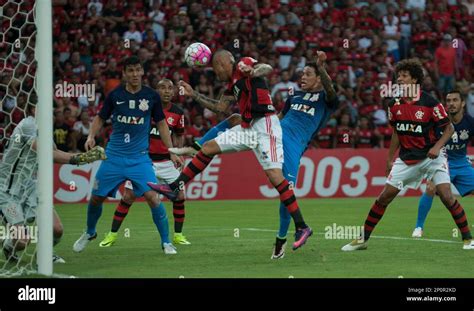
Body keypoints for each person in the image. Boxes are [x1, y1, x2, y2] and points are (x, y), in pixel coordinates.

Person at [173, 51, 338, 258]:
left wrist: (322, 67)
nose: (302, 77)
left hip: (294, 146)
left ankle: (281, 239)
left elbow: (331, 90)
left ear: (318, 78)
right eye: (302, 73)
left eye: (307, 74)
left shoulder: (326, 99)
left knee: (285, 192)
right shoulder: (293, 97)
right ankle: (198, 146)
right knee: (234, 117)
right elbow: (277, 117)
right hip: (273, 134)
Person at [341, 59, 474, 251]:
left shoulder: (430, 102)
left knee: (446, 196)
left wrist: (437, 147)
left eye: (404, 76)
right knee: (384, 198)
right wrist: (389, 158)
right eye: (398, 76)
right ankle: (363, 240)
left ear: (415, 79)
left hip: (432, 159)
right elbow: (397, 132)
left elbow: (449, 128)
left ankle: (467, 239)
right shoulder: (393, 104)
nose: (400, 79)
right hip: (407, 159)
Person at [73, 56, 181, 255]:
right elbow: (100, 118)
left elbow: (162, 124)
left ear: (142, 72)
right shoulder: (114, 95)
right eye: (130, 70)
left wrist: (171, 150)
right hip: (114, 156)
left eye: (137, 70)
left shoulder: (151, 96)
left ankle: (166, 242)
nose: (134, 74)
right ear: (124, 73)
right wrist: (90, 135)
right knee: (96, 198)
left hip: (139, 158)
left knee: (153, 198)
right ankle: (89, 232)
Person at [0, 103, 106, 263]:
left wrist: (84, 156)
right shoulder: (28, 125)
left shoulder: (43, 129)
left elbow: (55, 151)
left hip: (29, 186)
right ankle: (9, 244)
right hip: (8, 190)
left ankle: (44, 254)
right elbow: (46, 153)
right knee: (23, 241)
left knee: (57, 229)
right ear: (34, 109)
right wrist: (78, 159)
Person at [99, 78, 190, 247]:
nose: (167, 91)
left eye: (170, 88)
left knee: (179, 196)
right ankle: (111, 235)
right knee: (128, 197)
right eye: (162, 88)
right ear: (156, 91)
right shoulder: (145, 109)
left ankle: (178, 235)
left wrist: (178, 152)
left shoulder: (178, 113)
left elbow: (178, 134)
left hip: (166, 161)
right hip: (143, 162)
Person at [412, 90, 474, 237]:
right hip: (442, 162)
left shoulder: (470, 122)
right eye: (448, 101)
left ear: (463, 103)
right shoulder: (438, 122)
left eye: (455, 100)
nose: (451, 104)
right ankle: (418, 227)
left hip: (461, 163)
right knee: (431, 188)